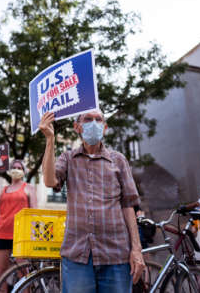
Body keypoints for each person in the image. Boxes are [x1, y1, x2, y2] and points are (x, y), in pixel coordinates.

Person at [39, 110, 145, 293]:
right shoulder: (68, 158)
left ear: (104, 127)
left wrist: (136, 249)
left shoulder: (118, 160)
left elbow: (128, 206)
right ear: (77, 127)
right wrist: (50, 140)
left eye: (98, 119)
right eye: (88, 119)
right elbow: (50, 181)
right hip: (77, 253)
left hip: (116, 254)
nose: (94, 123)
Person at [0, 159, 37, 291]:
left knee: (23, 273)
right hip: (2, 233)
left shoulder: (29, 188)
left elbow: (34, 213)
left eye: (19, 168)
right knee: (1, 271)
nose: (16, 169)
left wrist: (33, 235)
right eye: (14, 167)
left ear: (24, 172)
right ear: (9, 171)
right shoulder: (3, 189)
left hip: (21, 236)